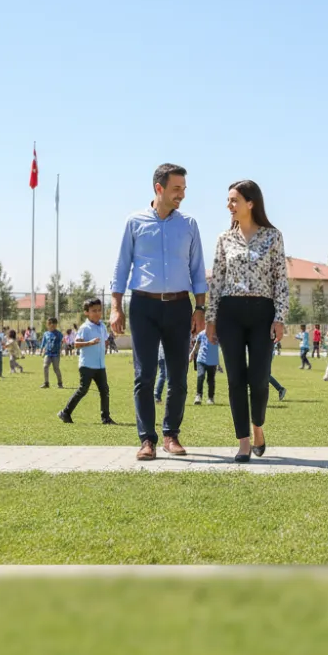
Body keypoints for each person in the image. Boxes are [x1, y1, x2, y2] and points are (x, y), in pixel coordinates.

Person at [110, 163, 207, 461]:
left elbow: (198, 270)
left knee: (178, 376)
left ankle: (170, 435)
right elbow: (122, 267)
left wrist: (200, 308)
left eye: (184, 189)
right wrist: (116, 307)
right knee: (145, 375)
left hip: (179, 306)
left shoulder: (189, 224)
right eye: (177, 189)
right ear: (159, 188)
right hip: (143, 306)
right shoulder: (134, 222)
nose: (182, 195)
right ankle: (146, 440)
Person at [205, 179, 288, 462]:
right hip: (230, 313)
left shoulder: (273, 237)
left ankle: (258, 427)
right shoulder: (223, 239)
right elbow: (216, 281)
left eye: (233, 200)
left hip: (263, 313)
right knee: (236, 379)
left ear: (250, 203)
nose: (229, 205)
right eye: (229, 201)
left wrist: (280, 318)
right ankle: (242, 442)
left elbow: (280, 280)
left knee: (260, 379)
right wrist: (211, 319)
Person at [58, 297, 115, 425]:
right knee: (83, 389)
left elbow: (105, 340)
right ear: (86, 312)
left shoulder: (102, 326)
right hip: (87, 365)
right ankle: (65, 412)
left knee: (104, 390)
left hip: (100, 365)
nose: (97, 313)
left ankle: (106, 418)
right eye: (94, 310)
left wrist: (106, 344)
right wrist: (90, 343)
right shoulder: (85, 327)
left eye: (99, 310)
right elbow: (76, 344)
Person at [190, 327, 219, 405]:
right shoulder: (202, 333)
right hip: (201, 359)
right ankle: (198, 396)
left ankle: (210, 398)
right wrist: (192, 354)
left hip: (212, 361)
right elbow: (197, 344)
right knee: (201, 376)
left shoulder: (217, 334)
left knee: (211, 380)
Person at [41, 317, 64, 388]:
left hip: (56, 354)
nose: (51, 325)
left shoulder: (59, 334)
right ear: (48, 325)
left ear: (56, 325)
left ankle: (60, 383)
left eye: (53, 324)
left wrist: (61, 350)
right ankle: (46, 383)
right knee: (45, 366)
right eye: (49, 323)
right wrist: (41, 350)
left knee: (56, 368)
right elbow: (43, 342)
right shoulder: (46, 334)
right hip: (48, 353)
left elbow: (61, 342)